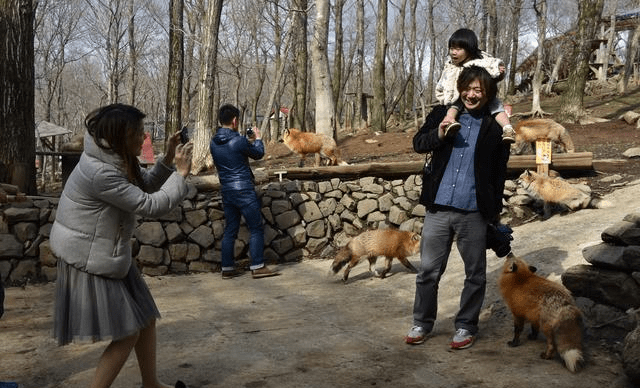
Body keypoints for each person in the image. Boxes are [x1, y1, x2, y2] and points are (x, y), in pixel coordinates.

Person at [50, 103, 192, 388]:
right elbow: (149, 205)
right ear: (122, 135)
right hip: (88, 256)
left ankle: (150, 384)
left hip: (107, 251)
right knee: (128, 333)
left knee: (146, 318)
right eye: (139, 132)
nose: (144, 137)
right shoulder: (101, 172)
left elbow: (146, 185)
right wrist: (181, 174)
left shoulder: (116, 157)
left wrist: (166, 158)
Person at [406, 66, 511, 350]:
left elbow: (499, 171)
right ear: (460, 87)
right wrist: (439, 135)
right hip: (438, 208)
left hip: (474, 210)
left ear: (488, 94)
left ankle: (466, 326)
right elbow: (418, 143)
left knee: (475, 274)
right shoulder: (443, 115)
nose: (471, 94)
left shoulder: (495, 125)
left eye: (479, 90)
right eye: (468, 88)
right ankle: (422, 322)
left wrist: (494, 213)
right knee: (428, 271)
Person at [209, 104, 279, 279]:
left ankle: (227, 268)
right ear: (235, 121)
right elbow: (258, 154)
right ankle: (257, 266)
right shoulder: (239, 141)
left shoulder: (213, 142)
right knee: (255, 227)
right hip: (244, 190)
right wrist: (258, 139)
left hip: (226, 190)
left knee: (230, 229)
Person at [435, 28, 515, 144]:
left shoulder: (481, 62)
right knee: (452, 106)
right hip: (457, 96)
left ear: (469, 50)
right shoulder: (450, 66)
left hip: (483, 98)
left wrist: (499, 71)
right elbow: (444, 81)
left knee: (495, 105)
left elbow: (493, 68)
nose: (453, 52)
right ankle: (449, 122)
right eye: (452, 48)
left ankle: (507, 128)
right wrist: (444, 94)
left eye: (458, 49)